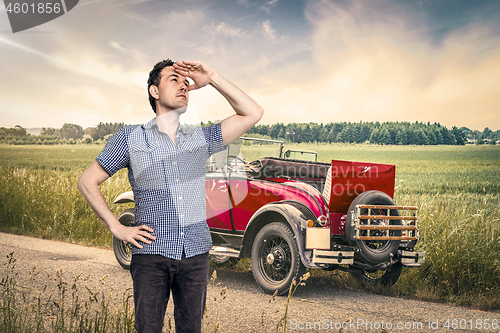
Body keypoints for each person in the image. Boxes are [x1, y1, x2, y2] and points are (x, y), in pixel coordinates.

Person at [77, 59, 263, 333]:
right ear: (154, 91)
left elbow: (252, 113)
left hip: (196, 254)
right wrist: (117, 228)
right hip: (151, 254)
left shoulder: (200, 138)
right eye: (173, 80)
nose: (184, 85)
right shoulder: (130, 138)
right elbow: (87, 181)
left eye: (186, 82)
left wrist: (211, 77)